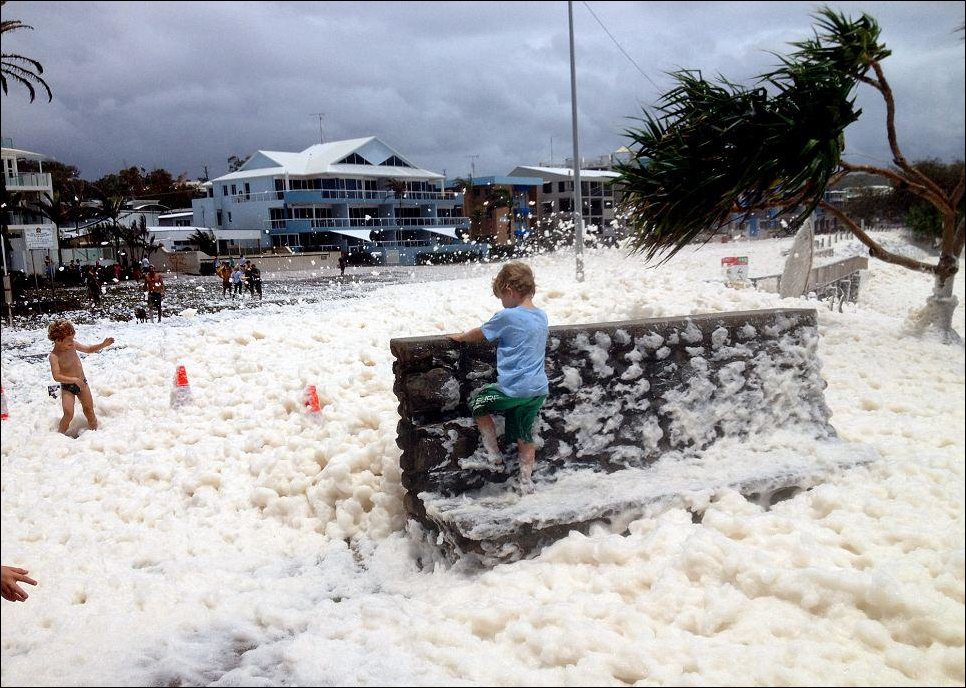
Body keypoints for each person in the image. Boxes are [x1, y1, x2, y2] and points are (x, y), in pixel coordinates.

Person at [449, 262, 548, 493]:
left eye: (501, 296)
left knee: (479, 402)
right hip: (537, 390)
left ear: (509, 290)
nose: (501, 302)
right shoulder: (541, 315)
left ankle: (492, 454)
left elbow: (480, 334)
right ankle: (526, 481)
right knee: (525, 434)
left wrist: (461, 337)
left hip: (513, 389)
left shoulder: (507, 315)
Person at [47, 319, 115, 434]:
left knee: (89, 410)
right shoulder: (54, 356)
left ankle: (95, 432)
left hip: (82, 383)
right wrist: (73, 380)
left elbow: (88, 349)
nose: (72, 341)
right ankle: (59, 436)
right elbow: (56, 376)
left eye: (72, 338)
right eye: (69, 339)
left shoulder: (73, 345)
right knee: (68, 414)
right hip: (67, 388)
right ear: (58, 340)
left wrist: (103, 345)